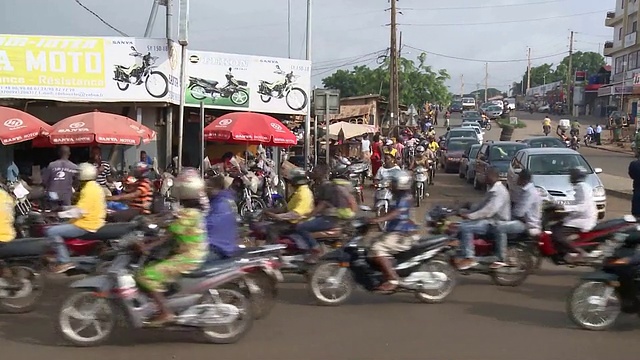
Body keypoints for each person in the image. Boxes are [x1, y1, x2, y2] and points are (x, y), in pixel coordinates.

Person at [136, 168, 209, 325]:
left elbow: (168, 234)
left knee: (146, 275)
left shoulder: (189, 214)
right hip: (191, 252)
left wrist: (148, 245)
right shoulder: (192, 211)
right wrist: (151, 219)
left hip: (189, 257)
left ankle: (165, 312)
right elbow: (169, 218)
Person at [45, 163, 106, 273]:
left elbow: (79, 212)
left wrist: (58, 215)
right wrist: (63, 208)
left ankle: (64, 261)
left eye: (78, 175)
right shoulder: (93, 186)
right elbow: (82, 207)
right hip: (88, 221)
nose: (75, 177)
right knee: (56, 226)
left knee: (52, 231)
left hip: (86, 224)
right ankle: (65, 253)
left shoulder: (88, 190)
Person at [296, 164, 357, 263]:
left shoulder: (325, 186)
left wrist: (308, 217)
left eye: (315, 172)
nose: (313, 173)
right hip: (329, 217)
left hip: (329, 218)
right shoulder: (323, 185)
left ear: (322, 174)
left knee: (301, 227)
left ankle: (316, 249)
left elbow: (322, 205)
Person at [368, 171, 417, 292]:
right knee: (372, 243)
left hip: (402, 235)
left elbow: (396, 213)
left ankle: (393, 279)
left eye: (394, 183)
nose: (391, 185)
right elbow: (389, 212)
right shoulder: (397, 197)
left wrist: (378, 219)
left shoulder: (405, 197)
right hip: (395, 232)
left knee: (377, 248)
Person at [456, 167, 510, 270]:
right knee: (460, 224)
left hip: (495, 223)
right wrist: (467, 209)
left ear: (492, 177)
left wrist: (470, 216)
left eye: (486, 176)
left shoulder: (499, 192)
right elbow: (481, 206)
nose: (485, 178)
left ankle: (469, 257)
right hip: (489, 220)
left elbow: (488, 211)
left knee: (465, 228)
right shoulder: (492, 189)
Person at [492, 170, 541, 268]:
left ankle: (501, 258)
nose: (516, 179)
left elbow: (519, 212)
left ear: (523, 179)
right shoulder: (526, 191)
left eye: (519, 177)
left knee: (499, 228)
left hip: (527, 224)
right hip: (523, 221)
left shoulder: (530, 193)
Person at [551, 167, 597, 262]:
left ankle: (577, 251)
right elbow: (574, 201)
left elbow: (582, 206)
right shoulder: (583, 186)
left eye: (572, 175)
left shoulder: (581, 187)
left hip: (583, 219)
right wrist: (558, 202)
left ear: (575, 176)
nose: (570, 177)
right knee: (554, 227)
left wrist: (565, 208)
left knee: (557, 235)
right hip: (580, 216)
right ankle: (562, 252)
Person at [263, 168, 314, 241]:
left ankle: (273, 251)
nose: (289, 183)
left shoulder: (303, 193)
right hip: (292, 221)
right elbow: (287, 208)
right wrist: (270, 211)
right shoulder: (299, 191)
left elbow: (296, 214)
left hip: (297, 223)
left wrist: (277, 216)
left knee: (272, 229)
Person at [205, 174, 240, 259]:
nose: (206, 190)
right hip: (223, 245)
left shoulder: (221, 204)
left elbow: (210, 223)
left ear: (217, 188)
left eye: (209, 187)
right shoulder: (222, 200)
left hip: (218, 248)